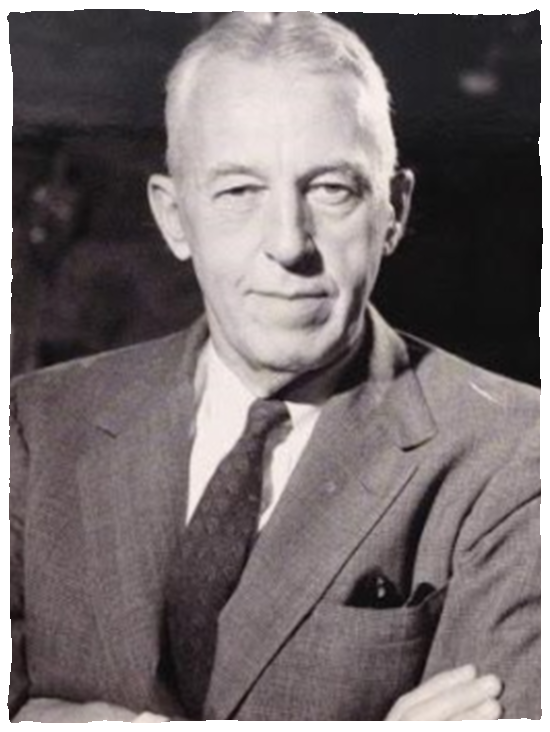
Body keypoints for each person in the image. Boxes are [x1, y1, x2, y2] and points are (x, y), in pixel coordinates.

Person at [9, 12, 540, 722]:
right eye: (239, 191)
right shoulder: (37, 426)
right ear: (174, 217)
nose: (289, 243)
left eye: (332, 189)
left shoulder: (514, 456)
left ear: (393, 211)